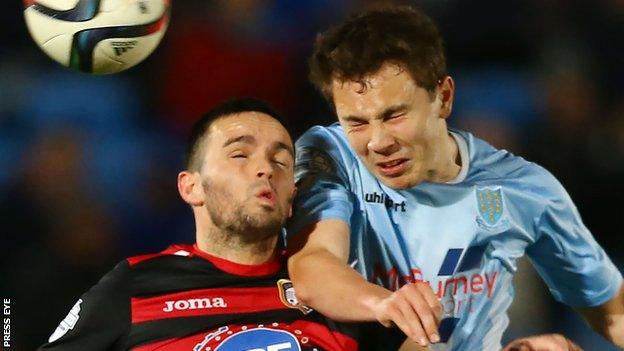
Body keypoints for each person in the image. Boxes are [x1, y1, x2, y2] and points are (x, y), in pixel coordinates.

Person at [286, 5, 624, 351]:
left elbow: (612, 313)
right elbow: (313, 265)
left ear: (443, 97)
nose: (378, 142)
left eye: (395, 115)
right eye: (356, 122)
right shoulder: (330, 153)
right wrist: (383, 304)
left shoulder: (523, 188)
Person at [38, 98, 366, 351]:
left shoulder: (330, 288)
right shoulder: (136, 286)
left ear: (292, 196)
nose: (265, 168)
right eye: (241, 154)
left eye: (280, 160)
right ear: (191, 187)